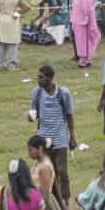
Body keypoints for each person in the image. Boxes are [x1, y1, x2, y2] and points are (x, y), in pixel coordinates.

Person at [28, 65, 75, 202]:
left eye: (41, 77)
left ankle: (66, 202)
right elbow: (33, 114)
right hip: (43, 139)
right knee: (48, 172)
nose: (39, 80)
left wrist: (72, 136)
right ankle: (53, 201)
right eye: (38, 77)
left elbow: (69, 115)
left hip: (60, 137)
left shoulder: (62, 93)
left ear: (51, 78)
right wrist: (30, 117)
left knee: (62, 172)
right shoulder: (37, 93)